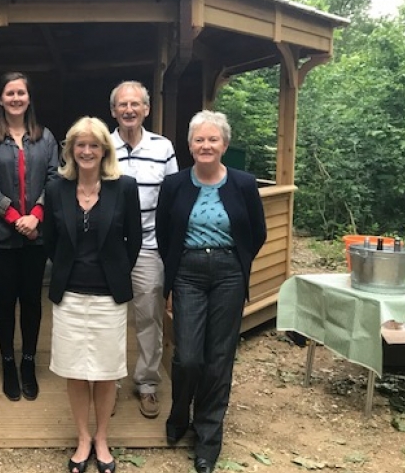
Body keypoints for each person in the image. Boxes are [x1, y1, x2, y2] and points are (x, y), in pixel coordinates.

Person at [156, 111, 266, 473]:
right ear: (189, 145)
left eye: (212, 139)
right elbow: (163, 234)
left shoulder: (244, 184)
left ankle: (207, 439)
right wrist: (173, 277)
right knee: (188, 356)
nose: (206, 145)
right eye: (199, 140)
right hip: (187, 271)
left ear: (225, 145)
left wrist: (236, 262)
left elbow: (257, 233)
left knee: (219, 358)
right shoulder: (174, 185)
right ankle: (179, 412)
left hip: (228, 273)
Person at [43, 116, 142, 473]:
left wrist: (113, 273)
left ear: (104, 150)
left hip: (108, 297)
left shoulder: (125, 188)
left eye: (94, 145)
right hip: (69, 294)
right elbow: (51, 241)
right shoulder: (56, 188)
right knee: (74, 369)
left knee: (104, 371)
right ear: (70, 150)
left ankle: (102, 437)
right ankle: (82, 437)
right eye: (79, 145)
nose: (86, 151)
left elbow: (134, 241)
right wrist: (72, 270)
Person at [0, 71, 59, 401]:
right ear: (0, 98)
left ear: (28, 98)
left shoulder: (45, 137)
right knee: (4, 301)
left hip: (36, 236)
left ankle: (28, 362)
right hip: (0, 235)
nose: (15, 98)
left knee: (32, 302)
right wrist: (15, 217)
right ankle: (7, 361)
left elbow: (54, 179)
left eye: (21, 92)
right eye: (9, 93)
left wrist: (36, 215)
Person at [109, 81, 178, 419]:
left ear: (146, 109)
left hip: (149, 246)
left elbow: (174, 198)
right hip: (109, 249)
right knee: (109, 316)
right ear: (114, 111)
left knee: (148, 315)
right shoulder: (102, 146)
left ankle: (147, 383)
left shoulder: (163, 147)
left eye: (135, 104)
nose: (129, 110)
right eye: (123, 105)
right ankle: (109, 384)